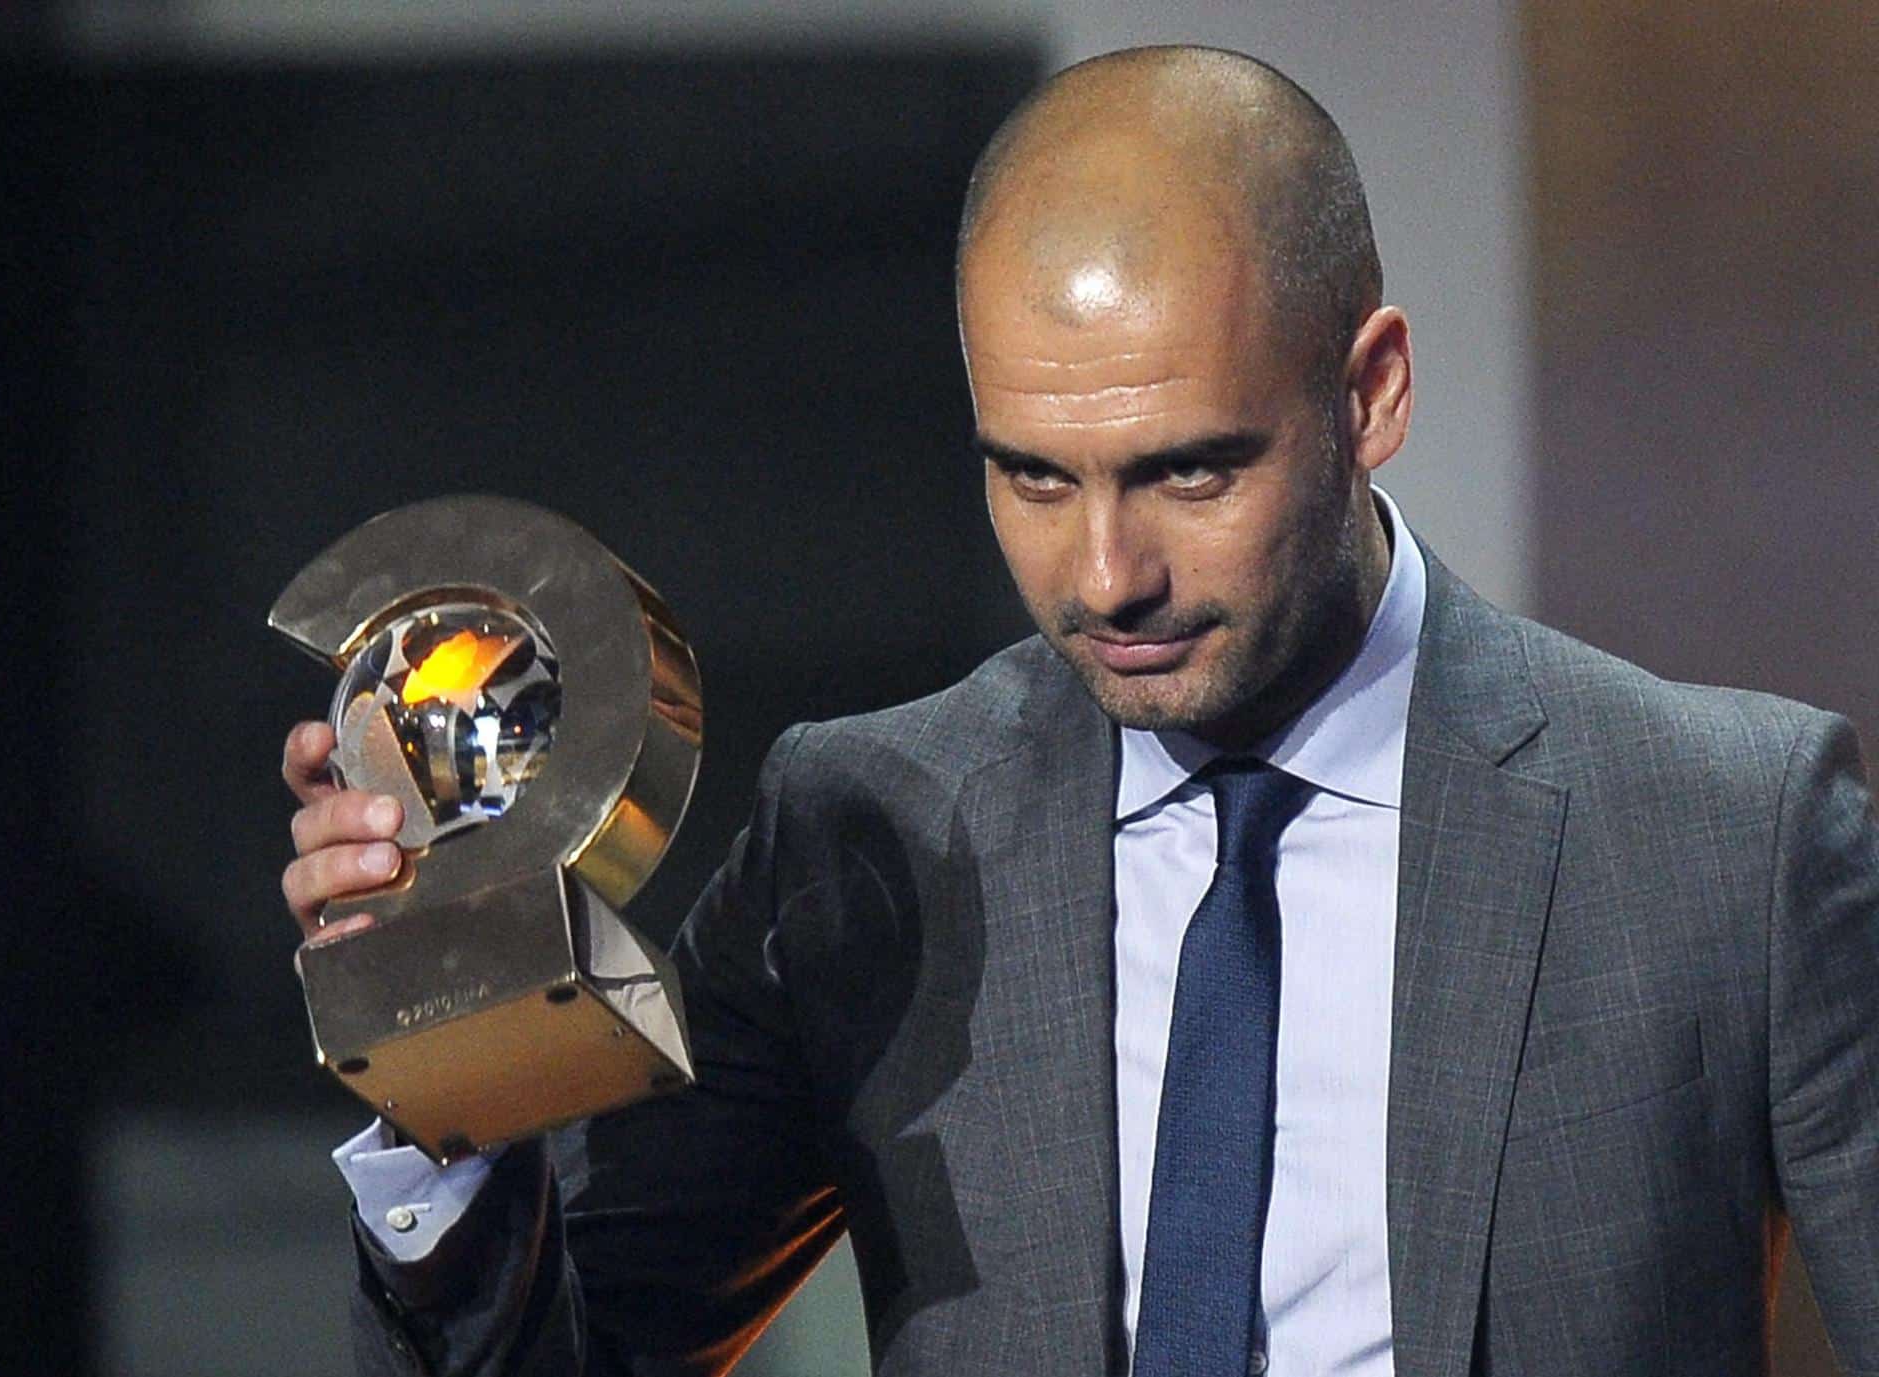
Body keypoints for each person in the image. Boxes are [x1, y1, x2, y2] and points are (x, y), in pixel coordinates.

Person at [280, 45, 1879, 1377]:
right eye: (1034, 474)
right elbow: (586, 1353)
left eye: (1190, 468)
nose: (1105, 574)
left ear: (1372, 389)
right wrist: (446, 1029)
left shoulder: (1729, 833)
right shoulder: (866, 834)